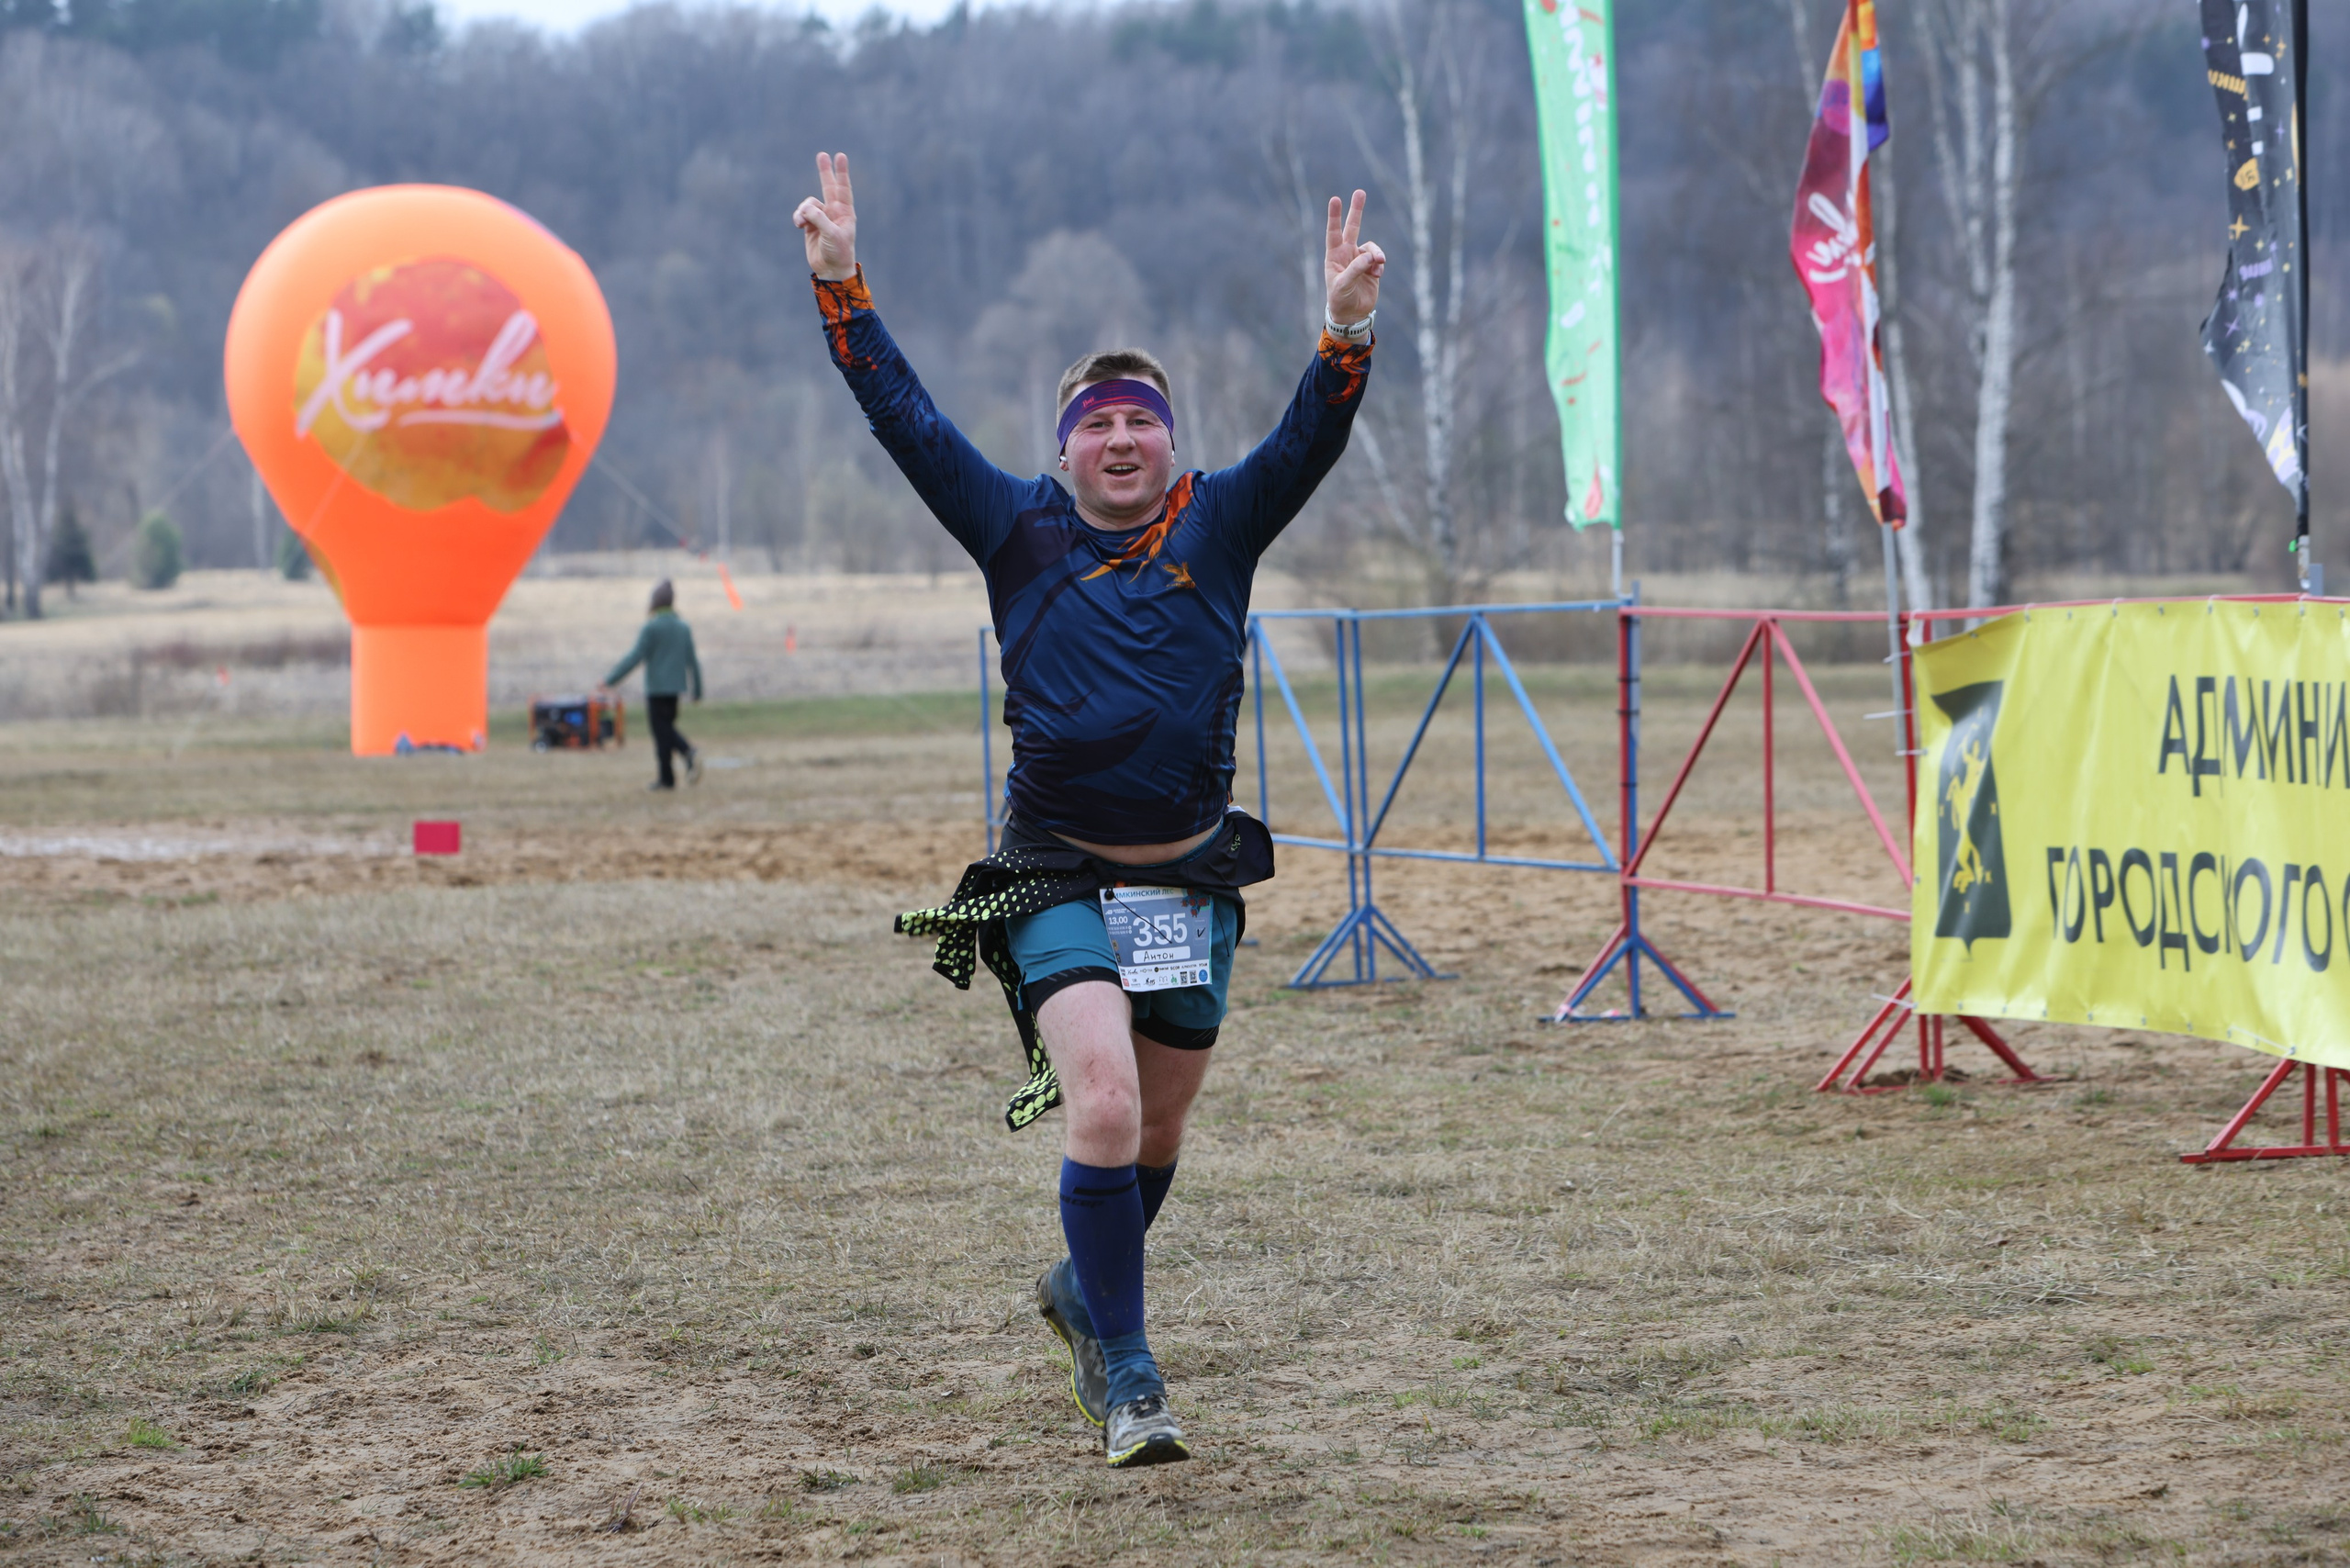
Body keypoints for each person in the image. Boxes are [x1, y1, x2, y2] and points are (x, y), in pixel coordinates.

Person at [796, 151, 1382, 1468]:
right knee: (1104, 1108)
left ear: (1169, 440)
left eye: (1140, 422)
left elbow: (1311, 440)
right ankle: (1128, 1376)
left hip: (1191, 881)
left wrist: (1344, 335)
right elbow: (909, 423)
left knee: (1157, 1132)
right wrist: (846, 292)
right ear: (1063, 449)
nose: (1119, 441)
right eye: (1095, 426)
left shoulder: (1222, 523)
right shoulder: (1015, 532)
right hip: (1051, 871)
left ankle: (1083, 1289)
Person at [602, 578, 703, 790]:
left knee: (662, 730)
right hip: (675, 688)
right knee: (663, 733)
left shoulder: (652, 627)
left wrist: (611, 680)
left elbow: (635, 656)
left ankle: (688, 752)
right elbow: (692, 661)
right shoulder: (682, 627)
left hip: (657, 688)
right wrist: (697, 690)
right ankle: (667, 779)